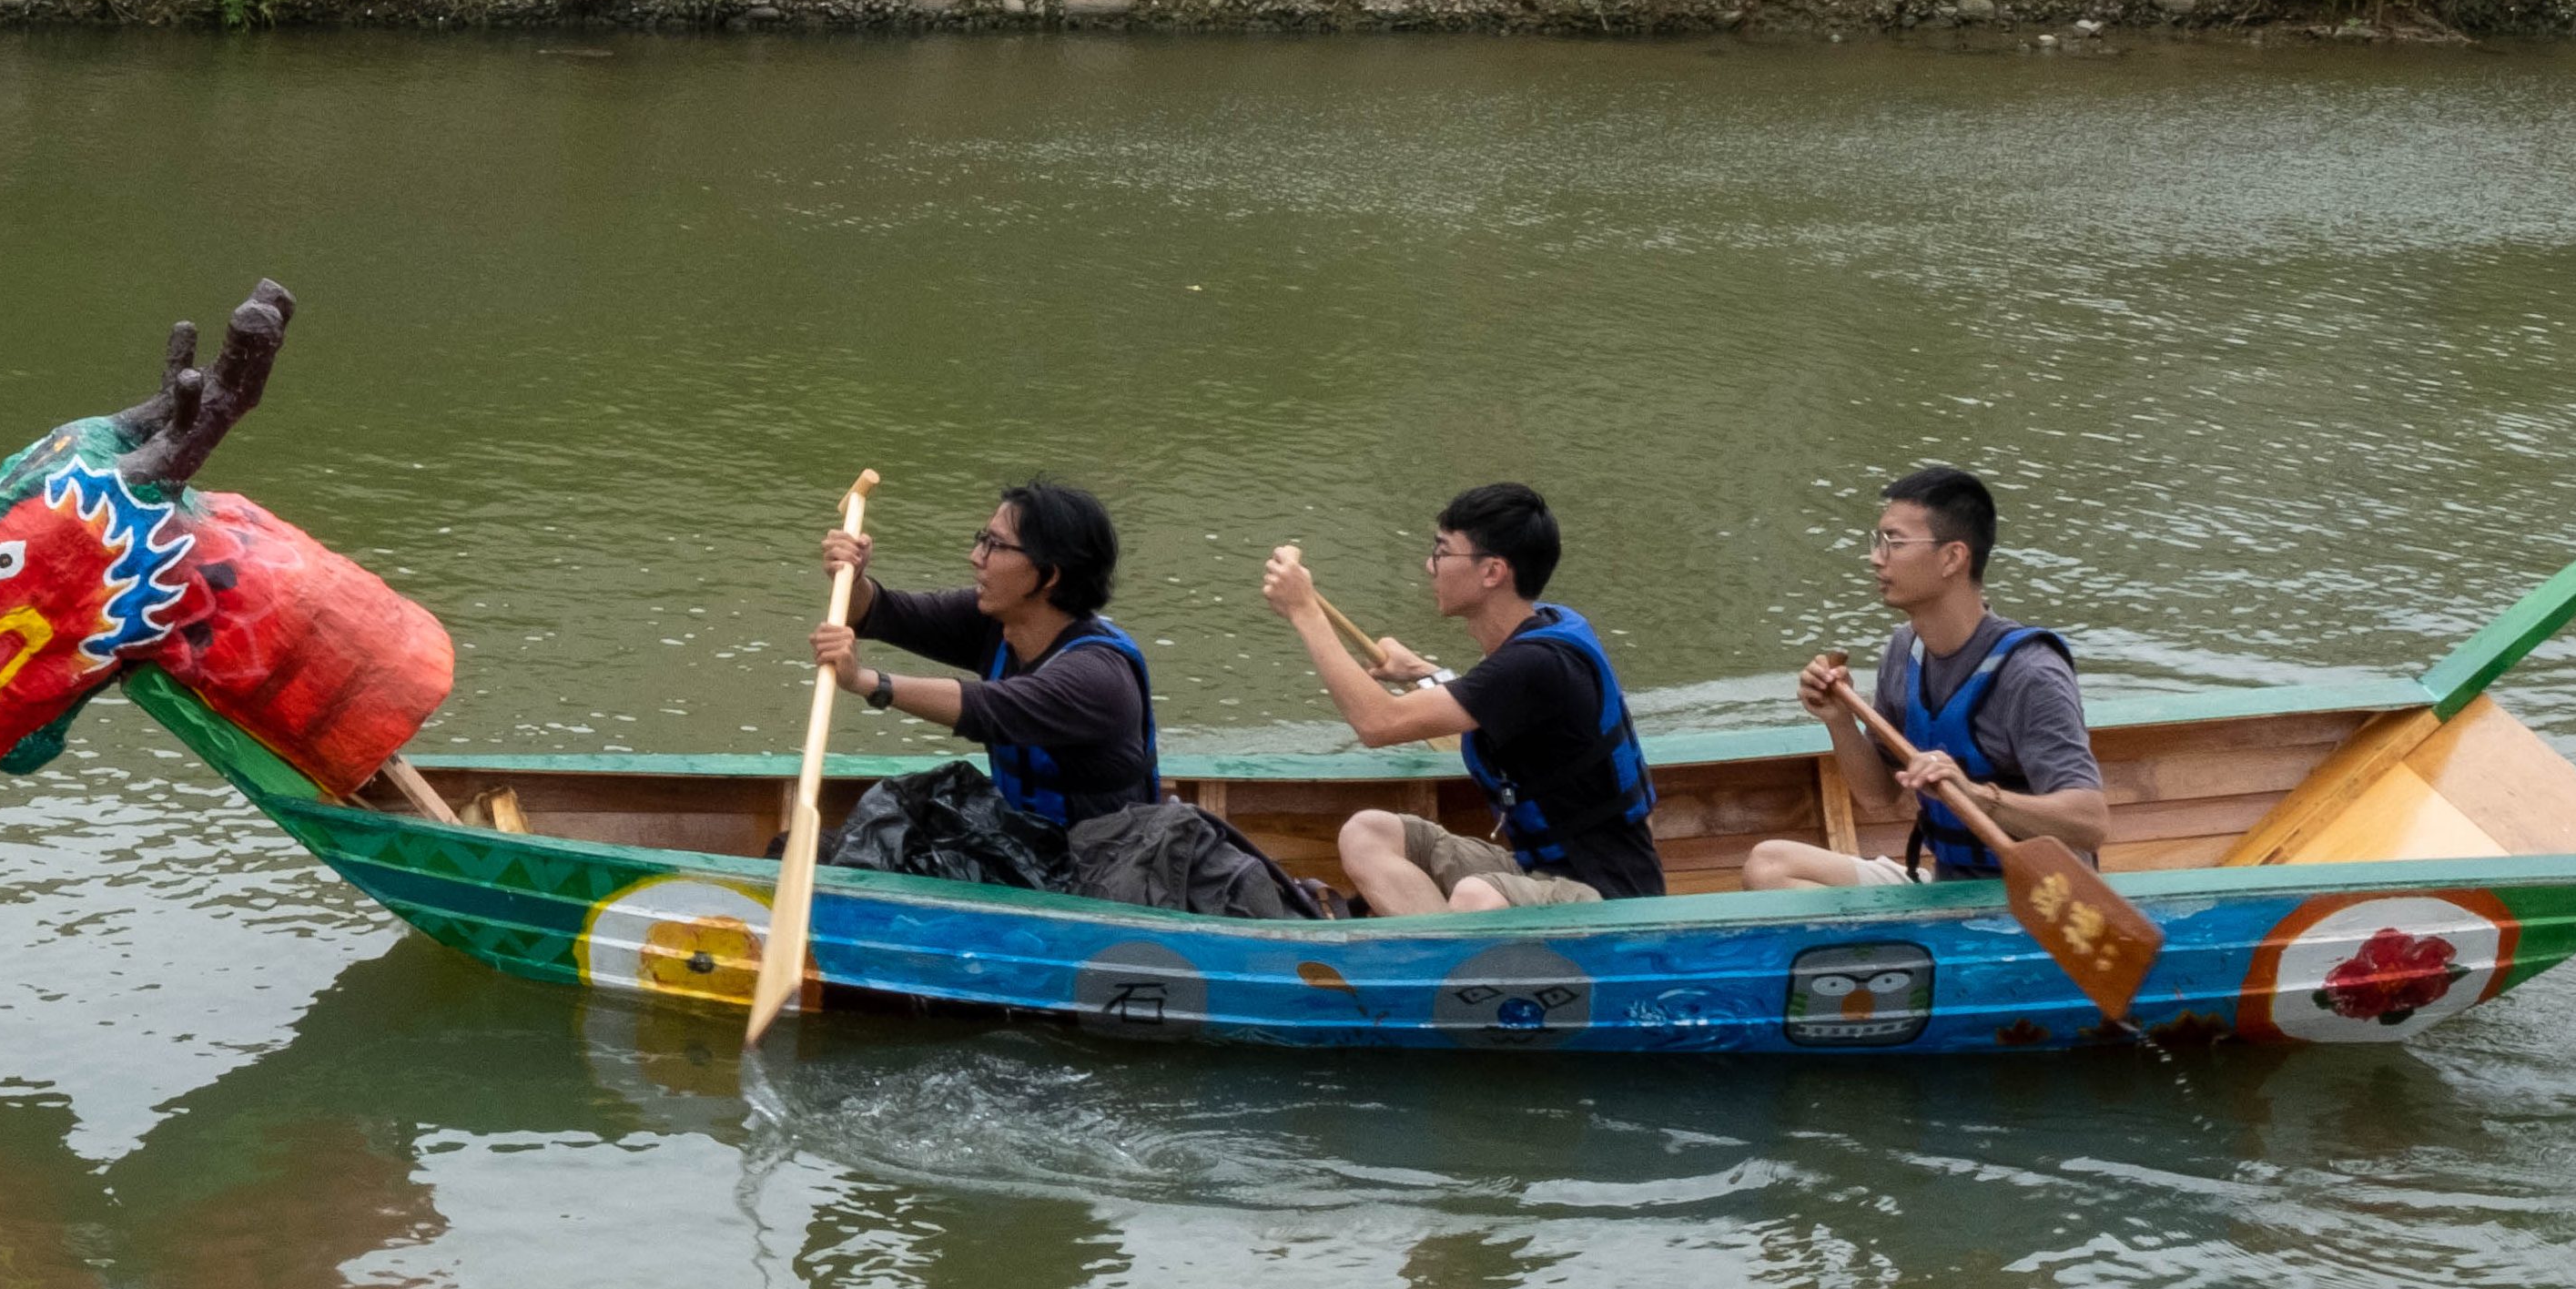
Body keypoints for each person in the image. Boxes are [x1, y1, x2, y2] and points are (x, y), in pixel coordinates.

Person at [812, 484, 1310, 919]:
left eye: (996, 546)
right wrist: (852, 580)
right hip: (1026, 851)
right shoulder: (996, 620)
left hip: (1107, 873)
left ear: (1048, 575)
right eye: (980, 540)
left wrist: (870, 682)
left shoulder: (1097, 675)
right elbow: (880, 612)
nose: (977, 558)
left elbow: (993, 709)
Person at [1259, 482, 1666, 911]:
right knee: (1367, 833)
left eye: (1442, 552)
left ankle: (1448, 969)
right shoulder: (1545, 628)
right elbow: (1493, 695)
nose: (1429, 565)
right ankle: (1441, 960)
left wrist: (1306, 612)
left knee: (1477, 896)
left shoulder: (1537, 665)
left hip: (1608, 895)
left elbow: (1379, 724)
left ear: (1492, 572)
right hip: (1535, 873)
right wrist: (1420, 672)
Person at [1742, 464, 2105, 890]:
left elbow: (2090, 822)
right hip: (1946, 887)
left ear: (1953, 557)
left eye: (1893, 543)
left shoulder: (2030, 672)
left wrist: (1976, 796)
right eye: (1877, 542)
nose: (1876, 558)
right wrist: (1839, 719)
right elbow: (1879, 797)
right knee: (1768, 866)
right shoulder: (1904, 650)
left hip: (2038, 896)